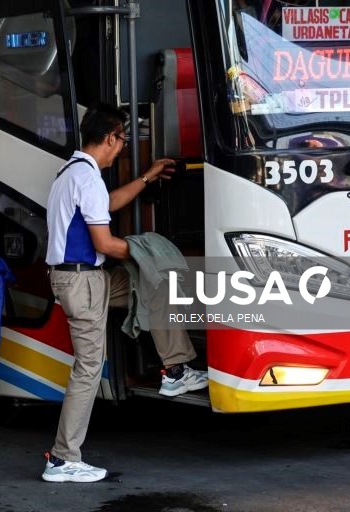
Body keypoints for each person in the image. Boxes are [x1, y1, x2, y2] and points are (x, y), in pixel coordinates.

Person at [42, 103, 207, 483]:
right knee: (87, 368)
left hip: (88, 279)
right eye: (122, 140)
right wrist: (148, 251)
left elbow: (108, 205)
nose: (122, 148)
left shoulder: (75, 173)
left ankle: (175, 370)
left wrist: (147, 178)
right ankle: (63, 459)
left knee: (151, 282)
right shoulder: (85, 177)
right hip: (81, 282)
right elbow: (104, 240)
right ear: (110, 137)